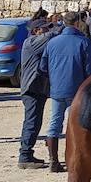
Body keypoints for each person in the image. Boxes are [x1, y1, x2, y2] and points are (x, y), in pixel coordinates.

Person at [40, 11, 91, 172]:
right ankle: (77, 159)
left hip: (57, 88)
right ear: (78, 23)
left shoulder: (52, 43)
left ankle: (53, 160)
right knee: (77, 124)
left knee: (54, 123)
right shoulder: (84, 42)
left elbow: (43, 67)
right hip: (78, 90)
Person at [17, 17, 57, 169]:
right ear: (36, 31)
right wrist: (63, 27)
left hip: (37, 88)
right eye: (44, 28)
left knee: (34, 122)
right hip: (32, 88)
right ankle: (25, 156)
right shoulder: (32, 43)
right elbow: (51, 36)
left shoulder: (34, 42)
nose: (47, 31)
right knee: (31, 122)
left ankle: (27, 153)